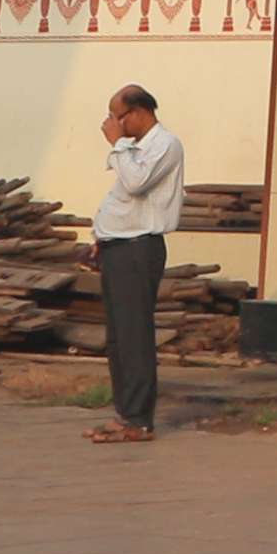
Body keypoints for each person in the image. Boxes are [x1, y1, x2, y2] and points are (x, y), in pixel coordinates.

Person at [90, 83, 185, 441]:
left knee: (135, 334)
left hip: (139, 248)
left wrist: (116, 143)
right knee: (117, 337)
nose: (112, 123)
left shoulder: (164, 145)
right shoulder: (131, 149)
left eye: (118, 116)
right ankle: (124, 411)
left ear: (140, 112)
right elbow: (121, 199)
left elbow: (135, 183)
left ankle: (140, 419)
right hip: (117, 246)